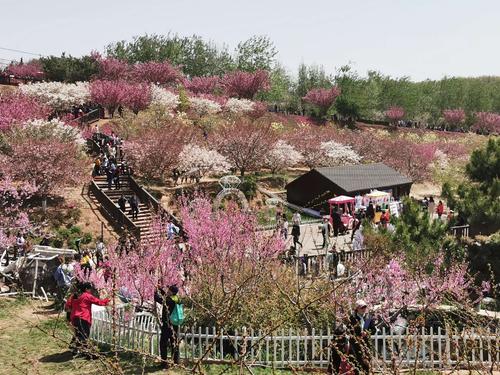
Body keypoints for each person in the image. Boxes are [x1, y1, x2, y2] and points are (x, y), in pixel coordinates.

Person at [65, 282, 110, 358]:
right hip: (83, 318)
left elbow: (67, 305)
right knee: (84, 336)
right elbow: (100, 302)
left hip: (74, 318)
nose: (91, 291)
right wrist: (108, 299)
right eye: (90, 289)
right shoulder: (87, 296)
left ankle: (76, 350)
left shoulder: (74, 296)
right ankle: (85, 352)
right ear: (86, 289)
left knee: (78, 334)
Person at [154, 285, 181, 368]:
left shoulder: (169, 300)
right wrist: (160, 289)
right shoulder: (176, 298)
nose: (167, 291)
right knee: (174, 343)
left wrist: (155, 291)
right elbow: (166, 296)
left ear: (172, 292)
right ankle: (176, 362)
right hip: (175, 324)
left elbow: (158, 299)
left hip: (167, 325)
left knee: (163, 343)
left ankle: (164, 363)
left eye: (169, 290)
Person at [348, 300, 377, 375]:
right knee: (356, 362)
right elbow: (348, 329)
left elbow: (373, 330)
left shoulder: (369, 318)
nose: (364, 309)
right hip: (355, 344)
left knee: (366, 363)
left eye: (365, 307)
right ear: (357, 308)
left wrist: (367, 333)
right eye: (362, 307)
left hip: (366, 344)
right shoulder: (352, 318)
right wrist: (356, 335)